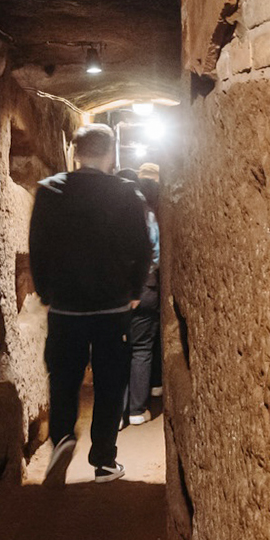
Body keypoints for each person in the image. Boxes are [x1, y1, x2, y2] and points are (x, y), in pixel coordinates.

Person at [28, 124, 151, 482]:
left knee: (64, 376)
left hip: (66, 306)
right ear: (110, 153)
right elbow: (142, 248)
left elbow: (38, 247)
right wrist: (133, 292)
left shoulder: (50, 191)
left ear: (76, 153)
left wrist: (48, 295)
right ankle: (103, 461)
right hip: (112, 306)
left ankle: (63, 436)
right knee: (110, 383)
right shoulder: (125, 192)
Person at [124, 163, 162, 424]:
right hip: (144, 287)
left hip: (114, 292)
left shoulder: (108, 211)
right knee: (141, 349)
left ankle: (116, 412)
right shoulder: (147, 212)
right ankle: (137, 410)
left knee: (114, 349)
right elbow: (156, 253)